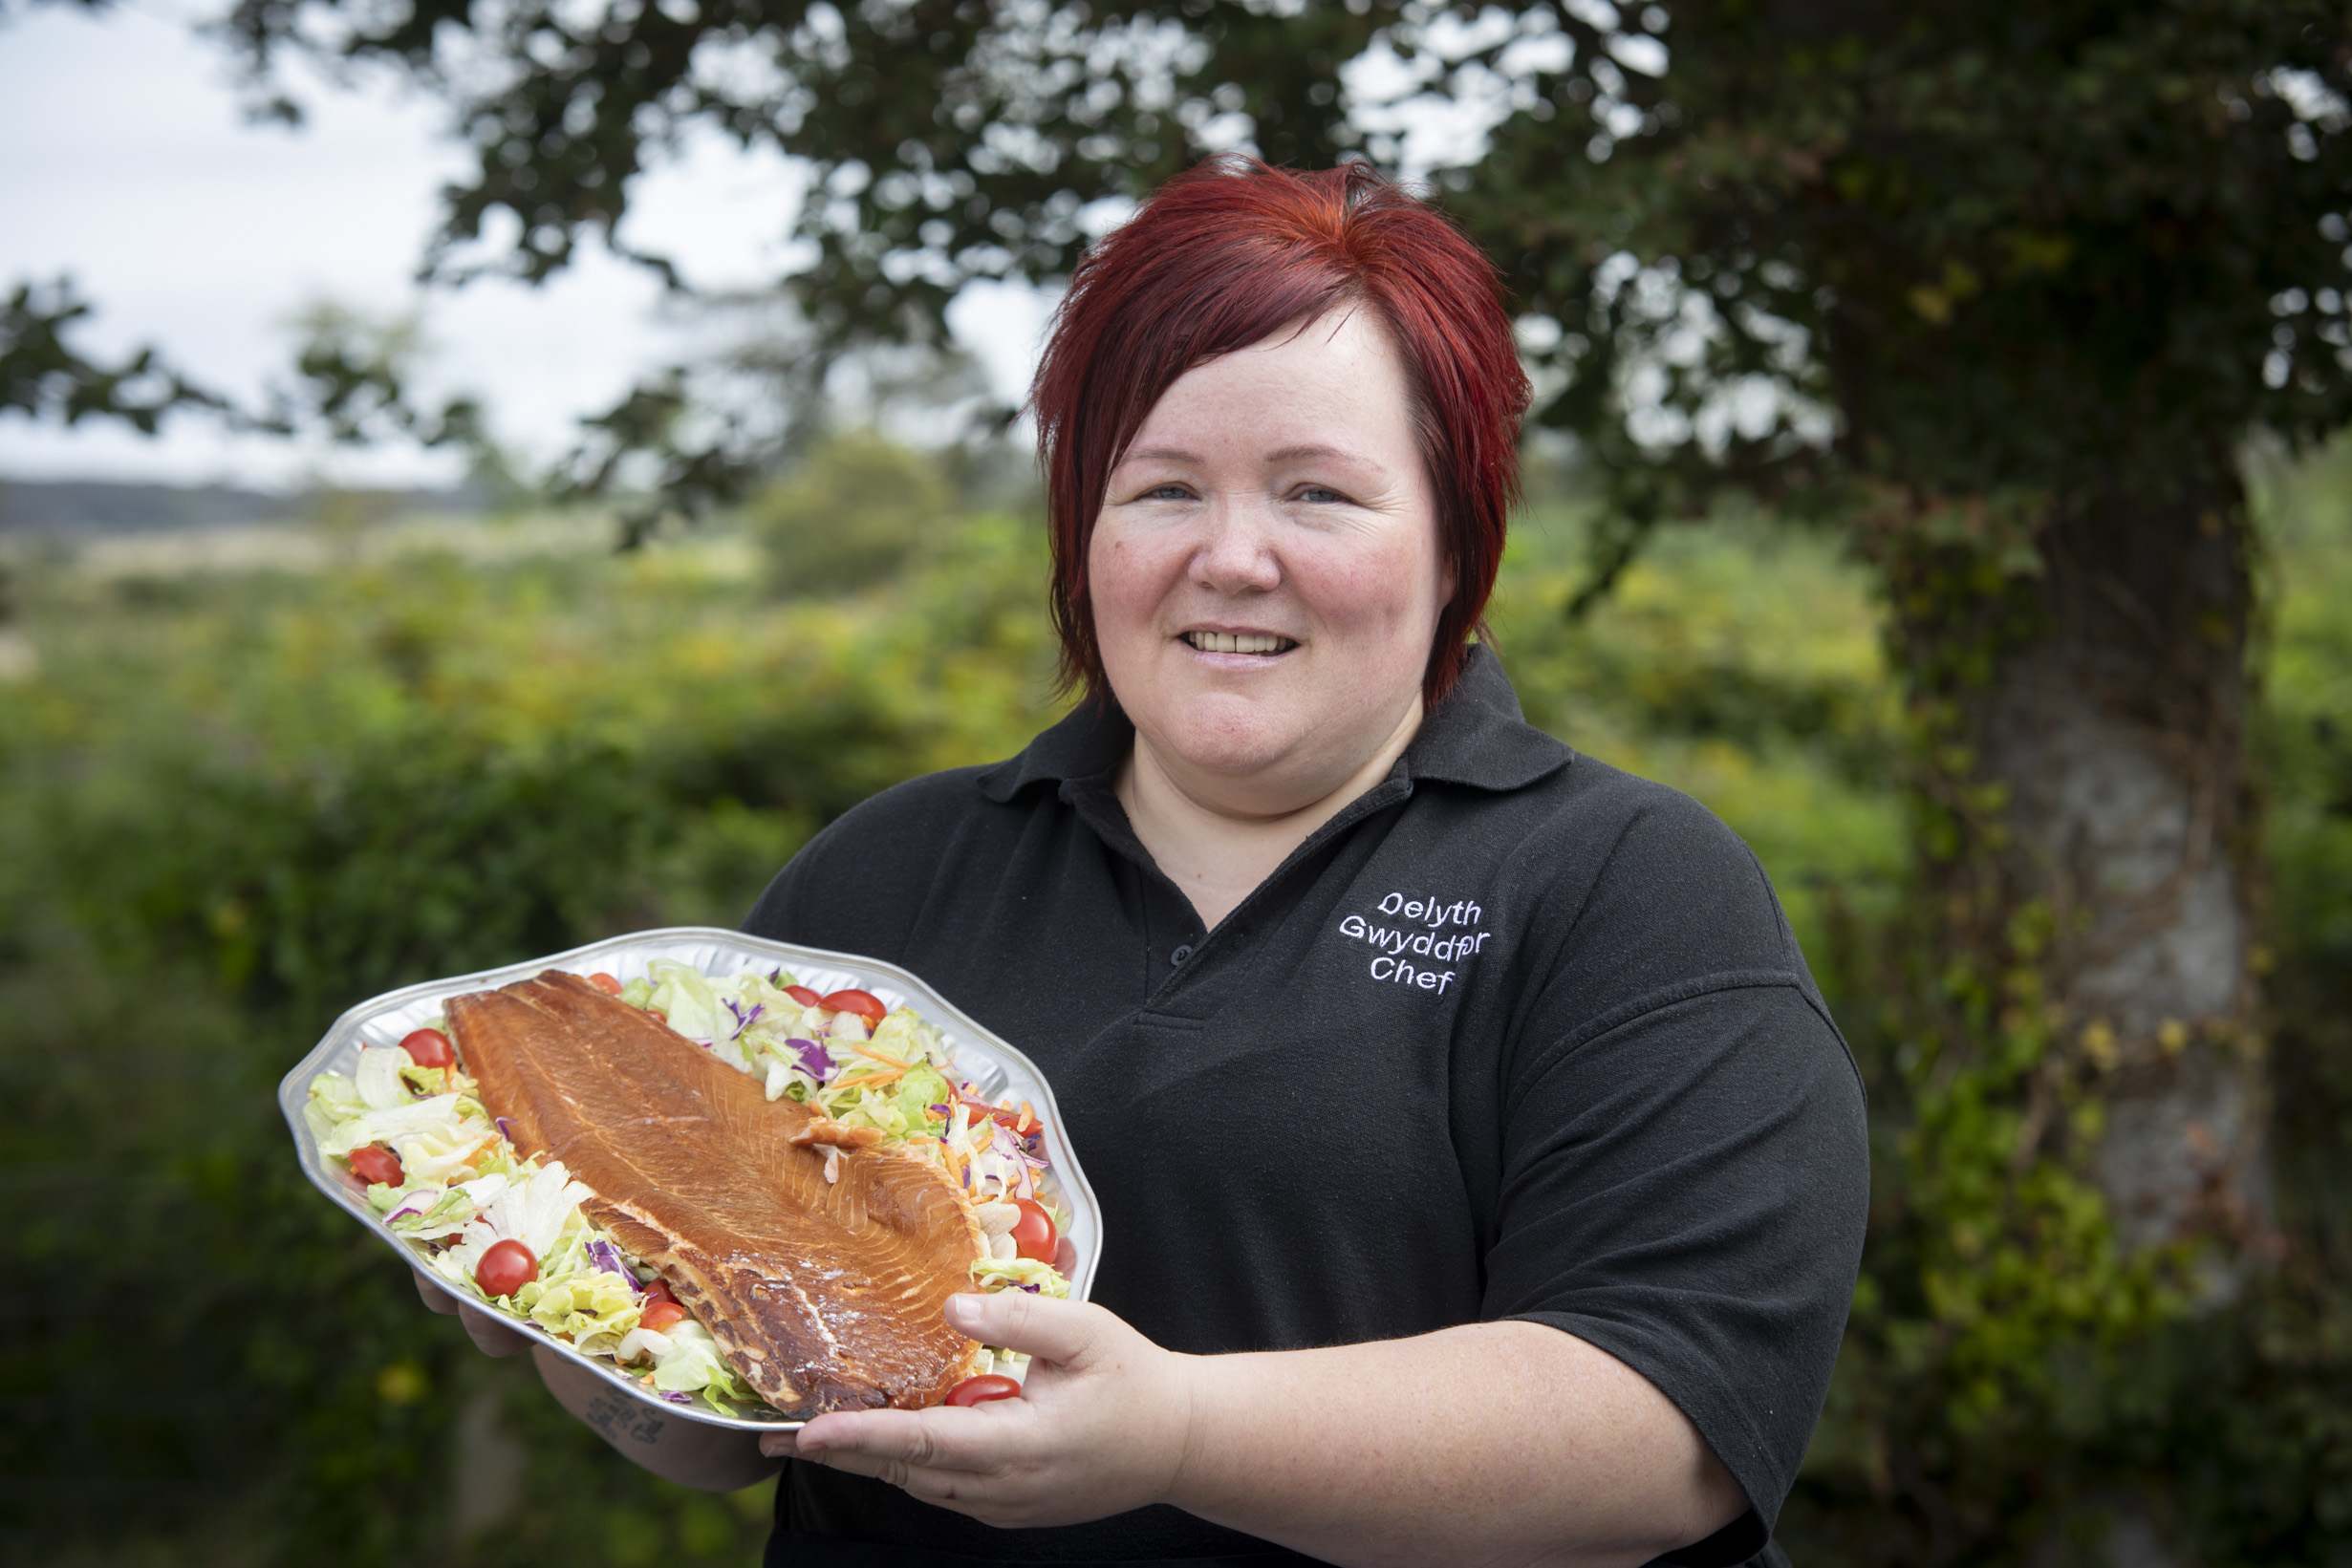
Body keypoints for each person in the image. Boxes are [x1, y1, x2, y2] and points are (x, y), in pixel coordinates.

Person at [423, 156, 1868, 1568]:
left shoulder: (1625, 885)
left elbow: (1663, 1435)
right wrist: (551, 1303)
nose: (1231, 556)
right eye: (1164, 487)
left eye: (1317, 493)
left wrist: (1173, 1430)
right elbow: (720, 1430)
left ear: (1452, 545)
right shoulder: (887, 876)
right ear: (1083, 531)